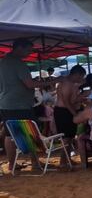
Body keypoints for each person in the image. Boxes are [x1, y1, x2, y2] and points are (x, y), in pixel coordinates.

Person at [0, 39, 61, 170]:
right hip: (20, 104)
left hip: (5, 104)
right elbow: (29, 84)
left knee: (9, 134)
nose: (29, 53)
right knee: (30, 132)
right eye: (28, 50)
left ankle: (12, 164)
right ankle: (35, 163)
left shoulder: (2, 62)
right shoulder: (18, 64)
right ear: (19, 48)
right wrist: (53, 81)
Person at [54, 65, 87, 147]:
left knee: (70, 137)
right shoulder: (67, 83)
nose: (81, 79)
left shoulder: (71, 83)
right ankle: (64, 160)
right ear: (77, 74)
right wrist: (75, 114)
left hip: (67, 110)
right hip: (63, 111)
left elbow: (71, 100)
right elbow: (66, 102)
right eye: (81, 77)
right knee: (66, 139)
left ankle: (67, 158)